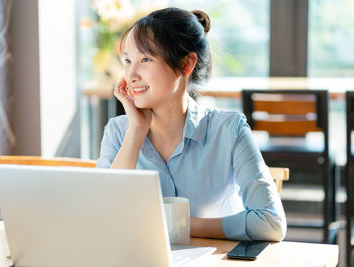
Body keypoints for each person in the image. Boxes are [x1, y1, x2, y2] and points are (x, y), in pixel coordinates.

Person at [96, 7, 286, 241]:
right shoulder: (118, 132)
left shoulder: (229, 130)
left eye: (145, 59)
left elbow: (270, 222)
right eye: (127, 60)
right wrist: (136, 130)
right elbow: (102, 218)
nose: (131, 75)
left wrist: (180, 226)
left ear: (186, 65)